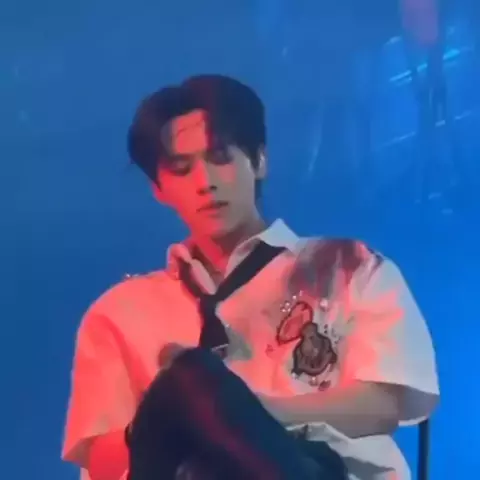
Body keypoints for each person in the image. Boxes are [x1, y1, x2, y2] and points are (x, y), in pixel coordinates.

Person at [61, 74, 440, 480]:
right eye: (182, 169)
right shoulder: (119, 313)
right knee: (186, 382)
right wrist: (173, 417)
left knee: (201, 384)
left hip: (316, 469)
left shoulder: (348, 266)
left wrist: (255, 411)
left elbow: (387, 401)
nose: (205, 183)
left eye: (220, 157)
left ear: (259, 161)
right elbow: (98, 460)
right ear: (159, 188)